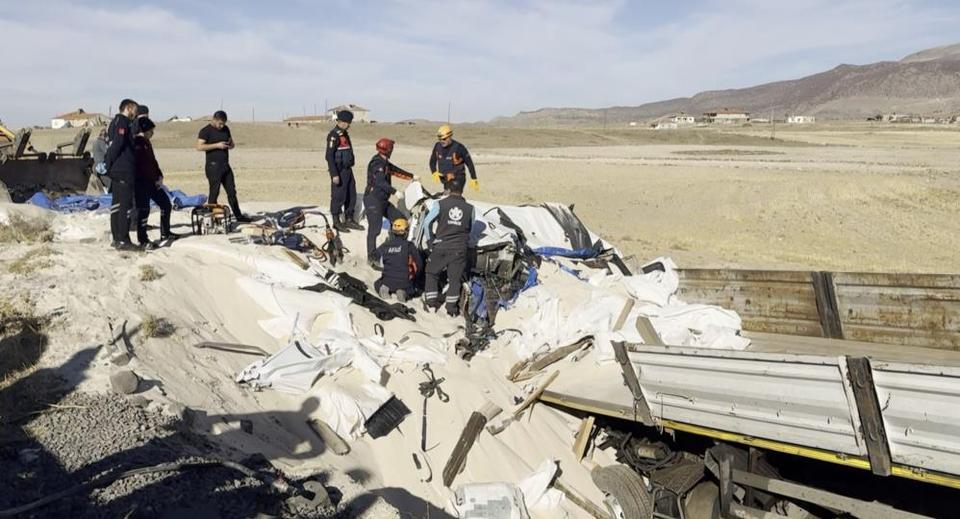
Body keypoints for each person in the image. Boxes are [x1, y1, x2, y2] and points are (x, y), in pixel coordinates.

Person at [422, 182, 475, 316]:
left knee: (431, 273)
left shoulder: (440, 204)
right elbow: (470, 227)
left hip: (441, 246)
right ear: (462, 190)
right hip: (459, 249)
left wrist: (430, 240)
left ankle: (431, 304)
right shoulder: (470, 208)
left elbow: (427, 223)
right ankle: (451, 309)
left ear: (449, 189)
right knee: (454, 279)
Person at [364, 138, 416, 267]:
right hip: (373, 200)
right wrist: (395, 192)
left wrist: (412, 176)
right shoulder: (377, 163)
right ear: (389, 150)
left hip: (382, 200)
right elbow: (380, 182)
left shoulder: (385, 162)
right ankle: (372, 256)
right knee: (375, 229)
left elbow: (396, 170)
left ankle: (393, 244)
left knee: (400, 219)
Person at [197, 111, 250, 222]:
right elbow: (199, 146)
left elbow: (232, 143)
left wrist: (230, 145)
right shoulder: (205, 131)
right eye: (220, 123)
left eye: (224, 124)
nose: (222, 126)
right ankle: (211, 217)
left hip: (225, 165)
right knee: (214, 192)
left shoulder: (226, 129)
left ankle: (238, 215)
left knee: (232, 191)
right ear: (214, 120)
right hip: (213, 167)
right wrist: (217, 145)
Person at [132, 117, 173, 249]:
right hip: (141, 183)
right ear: (144, 129)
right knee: (143, 210)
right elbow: (140, 165)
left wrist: (159, 175)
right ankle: (143, 239)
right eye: (151, 130)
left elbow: (153, 162)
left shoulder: (147, 143)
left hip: (153, 182)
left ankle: (165, 233)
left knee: (166, 204)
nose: (152, 133)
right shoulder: (137, 143)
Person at [105, 98, 140, 251]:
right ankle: (123, 239)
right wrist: (108, 162)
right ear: (128, 108)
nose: (136, 113)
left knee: (116, 204)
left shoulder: (114, 122)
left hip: (117, 170)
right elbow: (118, 143)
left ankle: (116, 238)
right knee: (125, 205)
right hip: (124, 169)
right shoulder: (123, 122)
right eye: (135, 110)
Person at [326, 110, 362, 231]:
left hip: (347, 169)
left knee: (351, 194)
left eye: (349, 123)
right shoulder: (333, 135)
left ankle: (349, 219)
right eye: (346, 123)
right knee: (338, 196)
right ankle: (336, 221)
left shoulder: (345, 134)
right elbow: (329, 156)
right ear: (340, 121)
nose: (348, 125)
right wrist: (334, 174)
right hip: (338, 170)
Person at [373, 218, 423, 302]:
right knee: (414, 288)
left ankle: (384, 288)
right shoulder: (409, 246)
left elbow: (375, 256)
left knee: (377, 283)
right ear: (406, 232)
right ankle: (404, 292)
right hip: (404, 282)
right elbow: (419, 264)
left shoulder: (386, 245)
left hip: (387, 280)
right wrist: (415, 276)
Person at [429, 124, 478, 193]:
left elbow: (469, 163)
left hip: (457, 178)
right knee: (447, 196)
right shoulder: (437, 146)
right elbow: (432, 161)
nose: (441, 141)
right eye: (440, 139)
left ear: (450, 136)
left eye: (444, 139)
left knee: (453, 196)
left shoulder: (459, 147)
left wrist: (473, 178)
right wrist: (434, 172)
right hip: (445, 178)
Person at [91, 127, 111, 192]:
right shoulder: (101, 142)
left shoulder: (95, 142)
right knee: (109, 182)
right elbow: (107, 152)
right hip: (101, 165)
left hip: (96, 165)